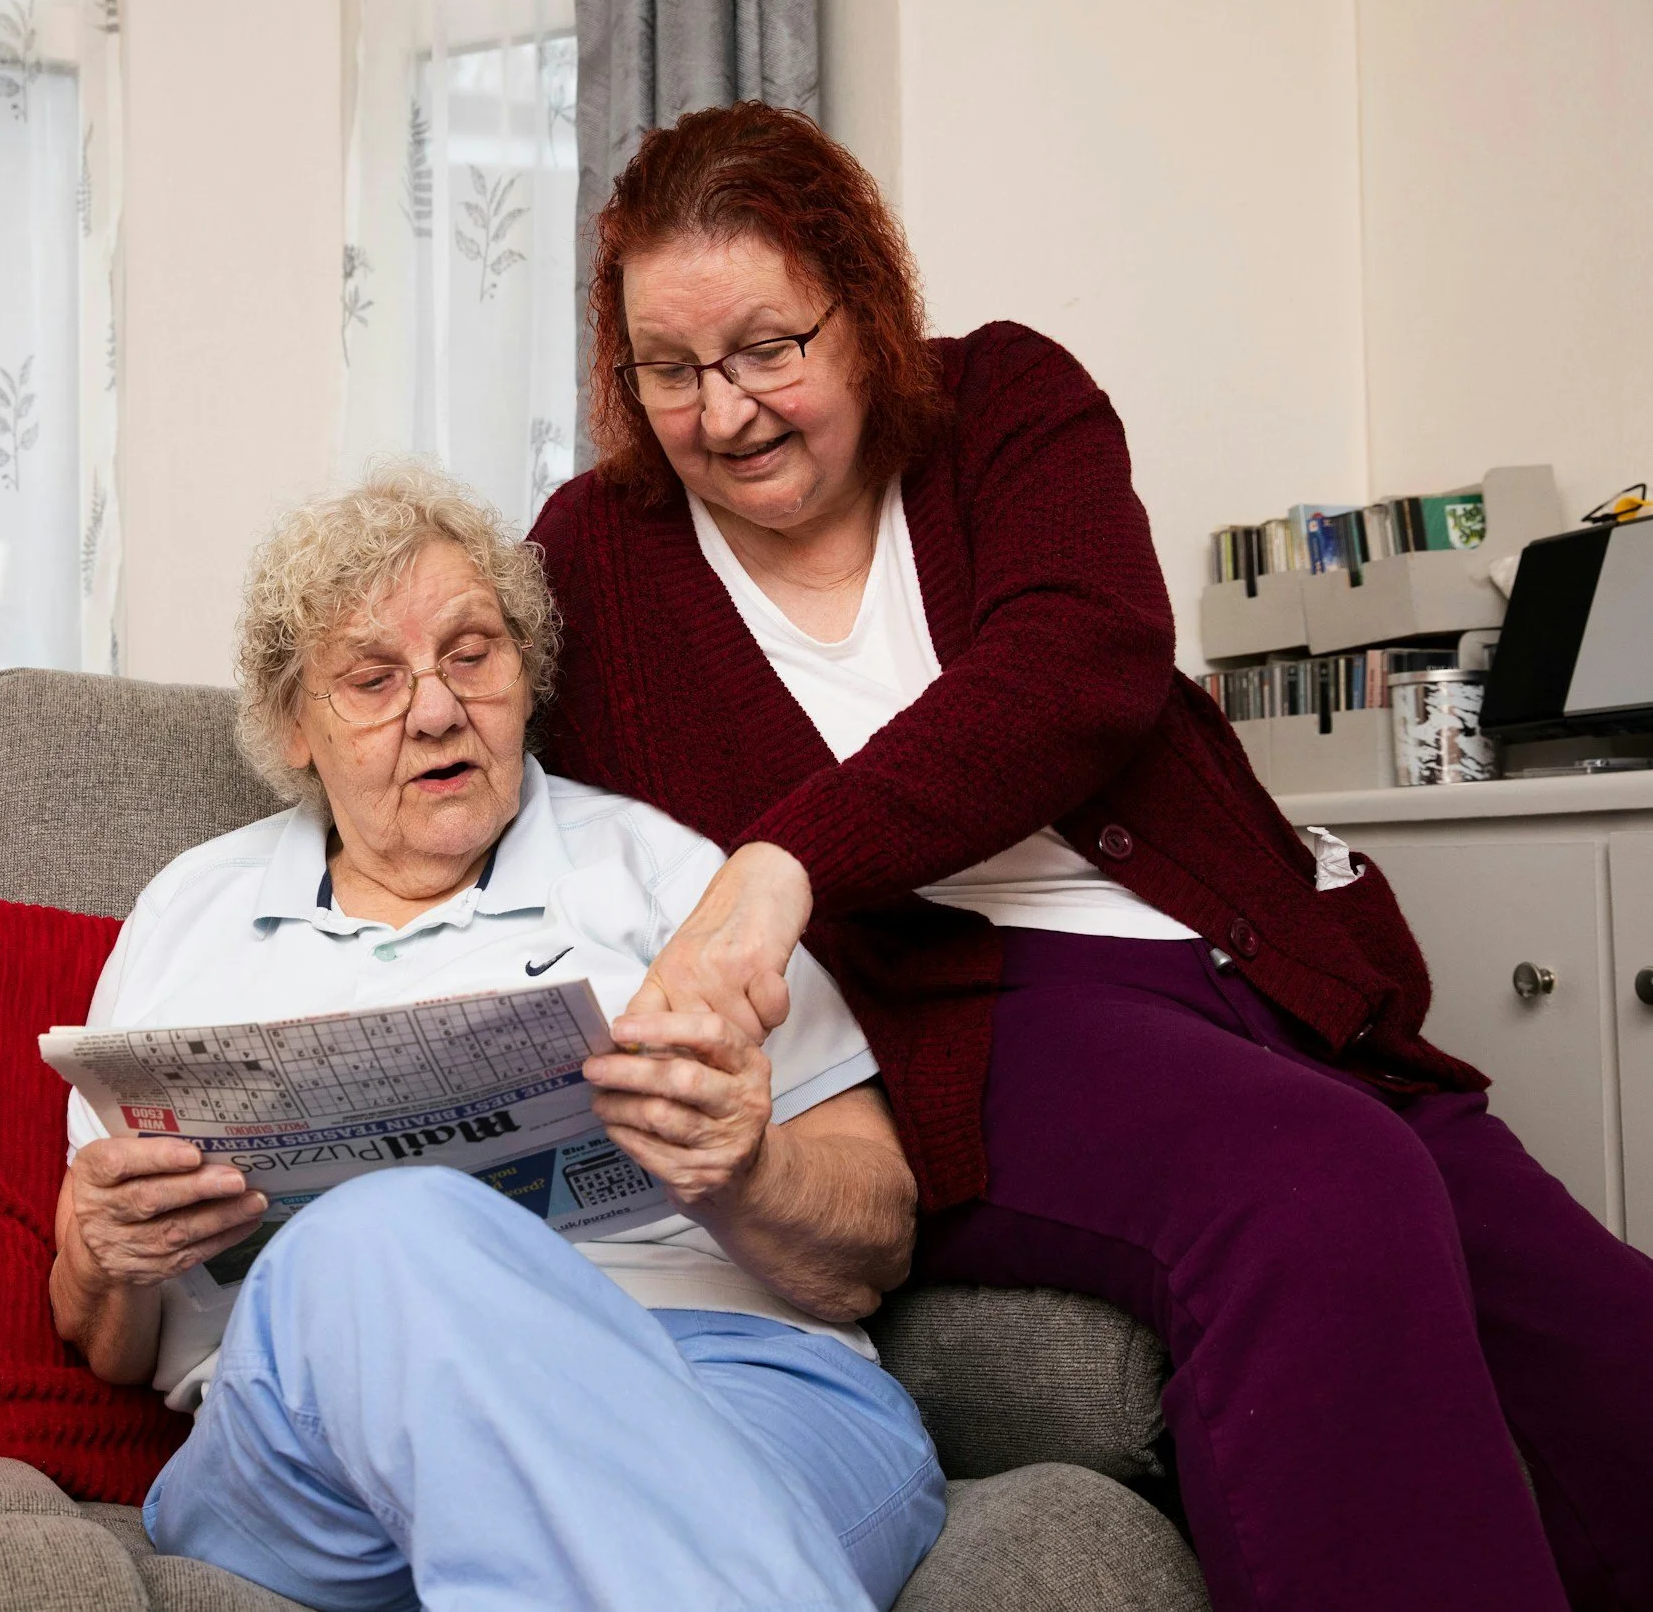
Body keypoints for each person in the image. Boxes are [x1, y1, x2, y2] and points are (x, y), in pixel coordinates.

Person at [527, 98, 1653, 1612]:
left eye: (767, 348)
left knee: (1606, 1338)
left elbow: (1084, 659)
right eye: (669, 369)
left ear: (863, 307)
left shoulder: (1006, 398)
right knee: (1316, 1188)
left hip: (1246, 962)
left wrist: (781, 859)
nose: (723, 411)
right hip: (968, 1020)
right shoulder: (596, 552)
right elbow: (458, 743)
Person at [46, 466, 945, 1612]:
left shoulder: (664, 873)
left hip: (715, 1375)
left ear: (525, 673)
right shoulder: (193, 910)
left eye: (472, 655)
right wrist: (107, 1255)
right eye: (372, 678)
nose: (436, 709)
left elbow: (877, 1239)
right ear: (293, 726)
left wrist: (746, 1168)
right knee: (383, 1232)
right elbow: (106, 1340)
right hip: (313, 1448)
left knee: (646, 1504)